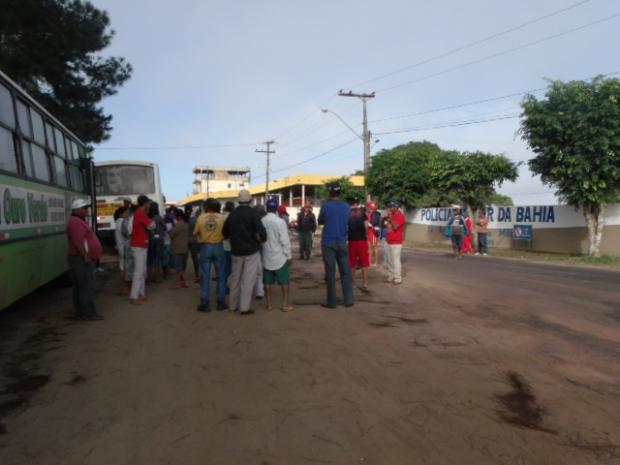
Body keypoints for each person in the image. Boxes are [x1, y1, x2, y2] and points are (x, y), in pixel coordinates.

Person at [222, 190, 267, 315]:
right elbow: (262, 231)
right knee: (248, 279)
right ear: (250, 200)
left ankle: (232, 305)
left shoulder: (233, 214)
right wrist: (261, 241)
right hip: (251, 251)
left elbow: (224, 232)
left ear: (239, 200)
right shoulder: (253, 213)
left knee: (235, 278)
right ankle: (244, 307)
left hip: (235, 251)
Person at [66, 199, 104, 320]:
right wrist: (86, 255)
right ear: (76, 210)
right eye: (84, 208)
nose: (86, 210)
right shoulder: (76, 222)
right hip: (81, 259)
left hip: (81, 258)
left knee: (81, 287)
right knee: (86, 287)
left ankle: (83, 312)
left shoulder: (78, 221)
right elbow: (78, 242)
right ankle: (88, 312)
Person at [318, 182, 353, 308]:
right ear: (340, 192)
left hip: (328, 242)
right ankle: (348, 300)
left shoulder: (325, 206)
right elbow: (349, 221)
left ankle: (331, 301)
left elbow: (320, 221)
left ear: (330, 192)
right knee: (345, 272)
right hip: (342, 242)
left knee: (330, 273)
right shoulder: (346, 206)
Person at [194, 198, 227, 312]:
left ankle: (205, 304)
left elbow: (196, 233)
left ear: (207, 207)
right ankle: (221, 303)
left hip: (205, 247)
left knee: (205, 276)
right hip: (219, 246)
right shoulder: (222, 217)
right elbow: (227, 233)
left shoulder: (201, 217)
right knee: (221, 276)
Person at [261, 199, 293, 312]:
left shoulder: (262, 221)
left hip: (266, 256)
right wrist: (289, 256)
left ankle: (269, 305)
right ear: (276, 209)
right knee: (284, 282)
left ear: (266, 208)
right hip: (280, 257)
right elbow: (285, 241)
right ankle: (284, 304)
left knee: (267, 282)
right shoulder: (280, 222)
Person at [129, 195, 155, 304]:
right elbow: (152, 225)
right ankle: (134, 296)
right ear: (145, 204)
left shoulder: (139, 213)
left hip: (141, 244)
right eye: (148, 203)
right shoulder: (140, 213)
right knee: (139, 271)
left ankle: (141, 293)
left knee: (142, 271)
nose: (149, 205)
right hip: (139, 245)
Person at [348, 199, 370, 290]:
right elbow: (366, 226)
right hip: (362, 240)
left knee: (352, 262)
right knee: (364, 262)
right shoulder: (363, 213)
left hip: (352, 240)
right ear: (357, 204)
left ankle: (353, 283)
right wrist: (367, 236)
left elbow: (346, 226)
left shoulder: (348, 214)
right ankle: (365, 283)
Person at [385, 201, 405, 284]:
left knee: (396, 261)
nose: (389, 208)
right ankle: (391, 276)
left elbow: (395, 227)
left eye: (391, 207)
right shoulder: (391, 215)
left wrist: (390, 217)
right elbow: (386, 226)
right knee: (389, 261)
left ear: (396, 207)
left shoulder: (400, 216)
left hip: (396, 242)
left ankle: (397, 278)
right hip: (388, 241)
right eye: (389, 207)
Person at [169, 209, 189, 289]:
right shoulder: (186, 224)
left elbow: (171, 234)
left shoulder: (178, 225)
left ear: (178, 217)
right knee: (183, 267)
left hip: (178, 248)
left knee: (178, 267)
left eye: (174, 215)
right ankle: (184, 282)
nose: (173, 216)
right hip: (185, 248)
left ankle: (178, 283)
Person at [113, 206, 130, 295]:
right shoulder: (123, 222)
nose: (128, 214)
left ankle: (123, 288)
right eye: (126, 213)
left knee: (122, 266)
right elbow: (126, 234)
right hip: (123, 247)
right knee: (123, 267)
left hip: (120, 246)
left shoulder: (118, 222)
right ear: (121, 214)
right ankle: (124, 288)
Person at [147, 202, 165, 283]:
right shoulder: (159, 218)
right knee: (158, 259)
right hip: (159, 240)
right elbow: (164, 227)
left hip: (150, 240)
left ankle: (149, 278)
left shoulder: (147, 217)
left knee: (150, 260)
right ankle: (157, 278)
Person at [222, 201, 235, 293]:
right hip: (231, 247)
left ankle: (223, 288)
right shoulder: (234, 217)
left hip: (222, 246)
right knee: (231, 269)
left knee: (223, 268)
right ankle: (228, 288)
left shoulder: (221, 217)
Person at [186, 205, 201, 283]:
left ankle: (197, 275)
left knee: (195, 260)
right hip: (201, 242)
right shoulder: (202, 220)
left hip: (193, 242)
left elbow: (189, 233)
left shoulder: (191, 220)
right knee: (202, 259)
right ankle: (201, 274)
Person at [367, 201, 382, 266]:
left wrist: (365, 223)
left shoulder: (376, 214)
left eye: (370, 208)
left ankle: (376, 262)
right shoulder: (372, 214)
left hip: (373, 232)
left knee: (375, 247)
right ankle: (370, 262)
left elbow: (372, 223)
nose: (369, 209)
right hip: (370, 232)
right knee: (370, 247)